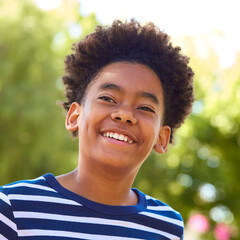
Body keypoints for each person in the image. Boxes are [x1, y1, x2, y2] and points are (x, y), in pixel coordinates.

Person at [0, 19, 194, 239]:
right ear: (75, 116)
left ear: (162, 137)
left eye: (145, 108)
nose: (125, 114)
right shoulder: (12, 209)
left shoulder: (166, 227)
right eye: (108, 98)